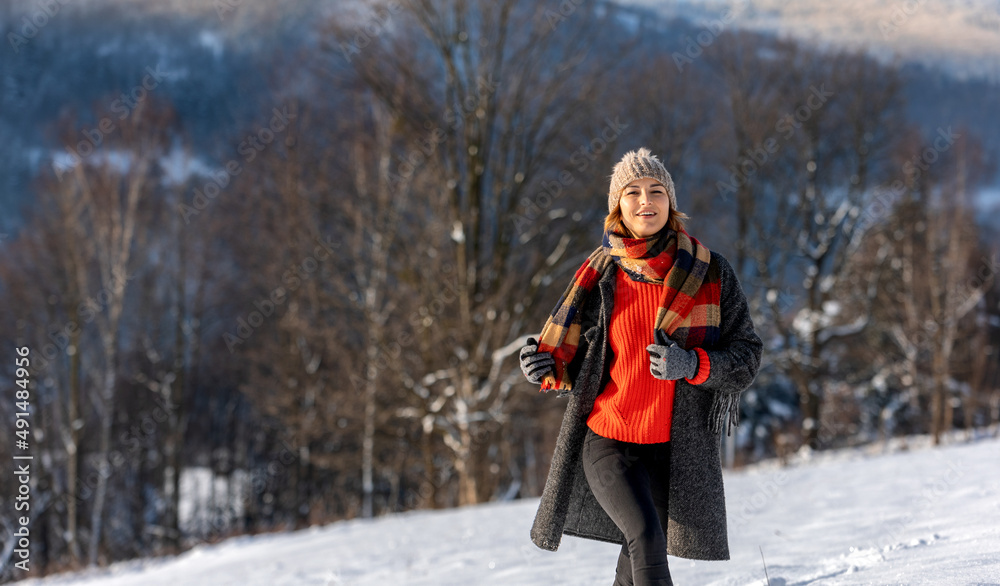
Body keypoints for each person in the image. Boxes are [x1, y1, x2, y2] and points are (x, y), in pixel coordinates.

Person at [520, 147, 763, 585]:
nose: (645, 200)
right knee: (647, 538)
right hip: (609, 438)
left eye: (656, 190)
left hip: (673, 448)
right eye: (632, 191)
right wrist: (541, 364)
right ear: (618, 206)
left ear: (671, 203)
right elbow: (574, 361)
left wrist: (691, 363)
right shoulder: (600, 276)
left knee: (633, 564)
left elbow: (746, 356)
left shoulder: (710, 273)